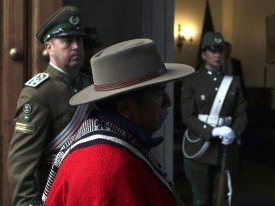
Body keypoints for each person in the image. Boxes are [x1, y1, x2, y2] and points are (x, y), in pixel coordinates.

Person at [41, 38, 194, 206]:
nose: (168, 101)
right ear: (126, 108)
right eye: (159, 93)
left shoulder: (117, 144)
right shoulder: (103, 167)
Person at [7, 6, 92, 206]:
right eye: (67, 41)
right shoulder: (38, 93)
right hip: (58, 194)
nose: (76, 47)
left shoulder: (90, 85)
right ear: (49, 47)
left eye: (79, 40)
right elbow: (21, 163)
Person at [180, 32, 247, 206]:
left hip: (226, 148)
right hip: (200, 147)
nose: (217, 54)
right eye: (212, 50)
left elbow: (241, 114)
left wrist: (234, 131)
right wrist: (212, 131)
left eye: (221, 50)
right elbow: (187, 116)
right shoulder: (192, 81)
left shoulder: (234, 82)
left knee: (223, 198)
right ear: (203, 54)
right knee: (201, 199)